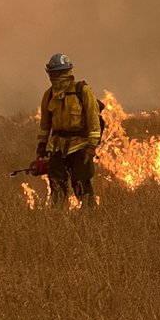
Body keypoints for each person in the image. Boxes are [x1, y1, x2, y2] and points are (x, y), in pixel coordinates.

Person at [36, 53, 102, 207]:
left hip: (80, 146)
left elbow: (93, 120)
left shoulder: (83, 91)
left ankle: (90, 215)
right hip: (58, 146)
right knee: (56, 183)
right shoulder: (49, 95)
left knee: (81, 182)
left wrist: (91, 146)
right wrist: (41, 145)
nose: (54, 77)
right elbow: (45, 124)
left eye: (57, 73)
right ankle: (58, 218)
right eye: (52, 74)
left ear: (66, 72)